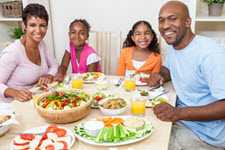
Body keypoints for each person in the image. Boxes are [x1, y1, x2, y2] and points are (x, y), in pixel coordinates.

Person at [146, 1, 225, 149]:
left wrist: (178, 113)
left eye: (172, 18)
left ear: (188, 22)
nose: (165, 26)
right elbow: (168, 69)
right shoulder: (175, 46)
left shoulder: (210, 54)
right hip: (182, 121)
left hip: (204, 136)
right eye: (161, 20)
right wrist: (159, 75)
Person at [0, 3, 58, 102]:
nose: (38, 30)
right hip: (12, 105)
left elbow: (54, 65)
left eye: (42, 25)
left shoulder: (41, 45)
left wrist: (49, 75)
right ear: (24, 26)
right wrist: (15, 92)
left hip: (34, 99)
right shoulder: (13, 52)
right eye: (32, 25)